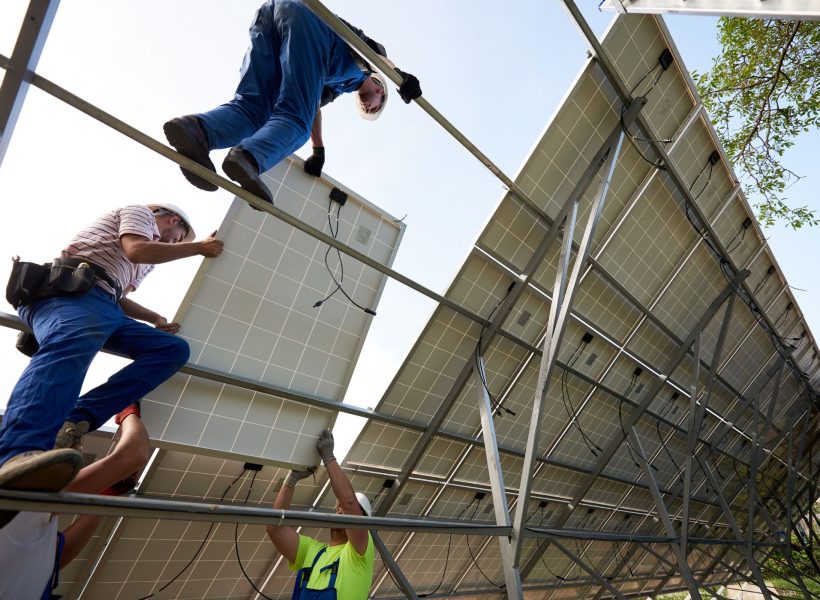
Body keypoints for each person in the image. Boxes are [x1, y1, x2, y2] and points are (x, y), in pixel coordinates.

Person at [0, 203, 224, 527]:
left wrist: (153, 318)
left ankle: (76, 418)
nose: (174, 245)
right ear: (172, 220)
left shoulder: (143, 262)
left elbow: (117, 292)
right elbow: (136, 250)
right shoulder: (141, 215)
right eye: (176, 238)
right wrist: (197, 247)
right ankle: (16, 454)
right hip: (72, 294)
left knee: (171, 350)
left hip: (105, 305)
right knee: (71, 345)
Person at [163, 0, 422, 205]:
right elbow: (377, 58)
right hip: (309, 23)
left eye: (369, 111)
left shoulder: (335, 87)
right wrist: (400, 77)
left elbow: (312, 108)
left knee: (255, 109)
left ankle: (198, 131)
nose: (368, 107)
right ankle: (249, 158)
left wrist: (318, 151)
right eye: (376, 105)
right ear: (380, 89)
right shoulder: (366, 67)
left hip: (272, 15)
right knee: (294, 122)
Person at [0, 407, 151, 599]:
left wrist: (129, 414)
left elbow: (134, 455)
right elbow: (132, 455)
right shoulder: (28, 524)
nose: (80, 442)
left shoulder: (26, 507)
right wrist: (128, 411)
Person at [267, 430, 375, 599]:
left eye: (352, 511)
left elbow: (349, 503)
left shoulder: (359, 553)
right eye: (338, 507)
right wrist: (291, 480)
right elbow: (275, 530)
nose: (341, 509)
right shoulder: (312, 551)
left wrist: (329, 457)